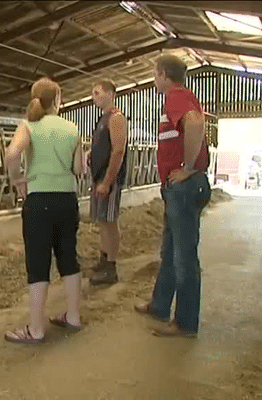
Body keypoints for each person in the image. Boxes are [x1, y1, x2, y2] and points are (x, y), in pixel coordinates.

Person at [135, 54, 211, 338]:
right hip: (176, 189)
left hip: (183, 187)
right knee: (169, 251)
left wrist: (188, 168)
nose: (154, 79)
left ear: (165, 74)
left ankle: (185, 322)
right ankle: (159, 305)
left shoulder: (176, 96)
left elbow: (194, 122)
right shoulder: (180, 97)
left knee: (183, 257)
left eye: (155, 74)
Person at [3, 77, 84, 344]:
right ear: (58, 100)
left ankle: (36, 329)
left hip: (39, 201)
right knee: (68, 257)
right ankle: (73, 316)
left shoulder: (29, 125)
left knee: (38, 263)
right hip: (67, 199)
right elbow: (79, 169)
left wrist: (17, 179)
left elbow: (12, 154)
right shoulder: (72, 128)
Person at [87, 80, 128, 286]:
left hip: (108, 179)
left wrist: (107, 181)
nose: (94, 97)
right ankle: (104, 259)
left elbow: (118, 150)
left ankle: (111, 267)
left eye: (97, 93)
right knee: (102, 220)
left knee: (110, 221)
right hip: (99, 177)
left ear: (111, 93)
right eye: (93, 94)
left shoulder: (116, 117)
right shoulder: (103, 118)